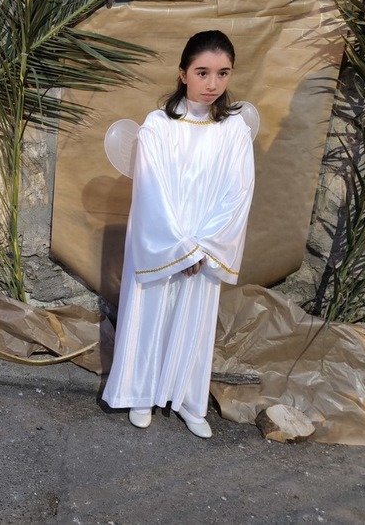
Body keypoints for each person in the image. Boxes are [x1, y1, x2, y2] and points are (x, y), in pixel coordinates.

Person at [100, 30, 256, 438]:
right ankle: (140, 392)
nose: (212, 84)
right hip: (164, 242)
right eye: (202, 72)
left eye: (223, 73)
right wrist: (182, 248)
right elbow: (151, 192)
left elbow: (238, 191)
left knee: (195, 321)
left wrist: (203, 248)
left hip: (207, 246)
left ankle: (189, 399)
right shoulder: (158, 126)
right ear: (183, 73)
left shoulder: (234, 129)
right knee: (150, 312)